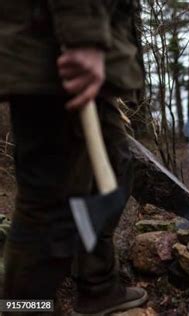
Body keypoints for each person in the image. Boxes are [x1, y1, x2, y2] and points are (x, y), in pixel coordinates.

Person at [0, 1, 148, 314]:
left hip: (80, 44)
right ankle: (24, 309)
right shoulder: (77, 37)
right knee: (50, 206)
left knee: (114, 169)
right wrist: (83, 36)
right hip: (51, 50)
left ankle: (98, 287)